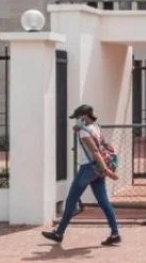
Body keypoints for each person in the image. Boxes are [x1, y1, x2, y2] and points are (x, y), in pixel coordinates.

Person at [42, 104, 121, 246]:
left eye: (77, 117)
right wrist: (79, 129)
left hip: (88, 168)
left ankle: (59, 233)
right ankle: (115, 233)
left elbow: (95, 151)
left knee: (71, 200)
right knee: (103, 201)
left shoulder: (84, 132)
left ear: (83, 117)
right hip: (96, 169)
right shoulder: (96, 127)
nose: (76, 120)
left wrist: (107, 171)